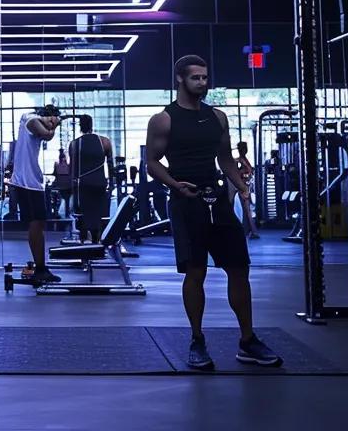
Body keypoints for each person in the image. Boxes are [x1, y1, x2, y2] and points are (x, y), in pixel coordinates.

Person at [146, 56, 281, 370]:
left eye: (206, 78)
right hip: (185, 203)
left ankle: (247, 340)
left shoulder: (218, 117)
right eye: (196, 78)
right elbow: (152, 162)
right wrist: (175, 185)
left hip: (216, 199)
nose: (202, 83)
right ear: (180, 79)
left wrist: (242, 188)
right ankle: (197, 340)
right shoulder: (163, 120)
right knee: (196, 273)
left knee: (238, 268)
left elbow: (226, 158)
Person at [7, 103, 63, 286]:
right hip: (26, 182)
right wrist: (53, 123)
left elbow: (47, 136)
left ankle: (41, 267)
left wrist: (52, 124)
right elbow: (47, 133)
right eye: (51, 118)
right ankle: (40, 268)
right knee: (36, 223)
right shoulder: (29, 118)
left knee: (39, 223)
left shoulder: (34, 123)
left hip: (32, 182)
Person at [69, 115, 113, 244]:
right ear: (92, 124)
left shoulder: (74, 144)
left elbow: (73, 169)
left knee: (83, 215)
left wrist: (72, 188)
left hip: (82, 184)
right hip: (99, 183)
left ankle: (83, 242)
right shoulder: (104, 141)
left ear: (80, 126)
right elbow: (110, 165)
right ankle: (97, 240)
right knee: (98, 214)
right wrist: (112, 184)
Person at [234, 141, 260, 239]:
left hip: (246, 186)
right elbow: (238, 173)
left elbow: (250, 172)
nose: (245, 150)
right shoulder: (239, 161)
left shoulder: (244, 160)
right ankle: (250, 231)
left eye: (245, 148)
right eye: (243, 148)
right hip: (242, 187)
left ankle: (250, 231)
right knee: (246, 210)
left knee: (247, 209)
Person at [52, 148, 73, 217]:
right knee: (66, 200)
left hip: (61, 186)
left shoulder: (57, 165)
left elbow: (55, 174)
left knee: (61, 198)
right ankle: (66, 214)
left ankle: (57, 212)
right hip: (68, 186)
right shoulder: (69, 166)